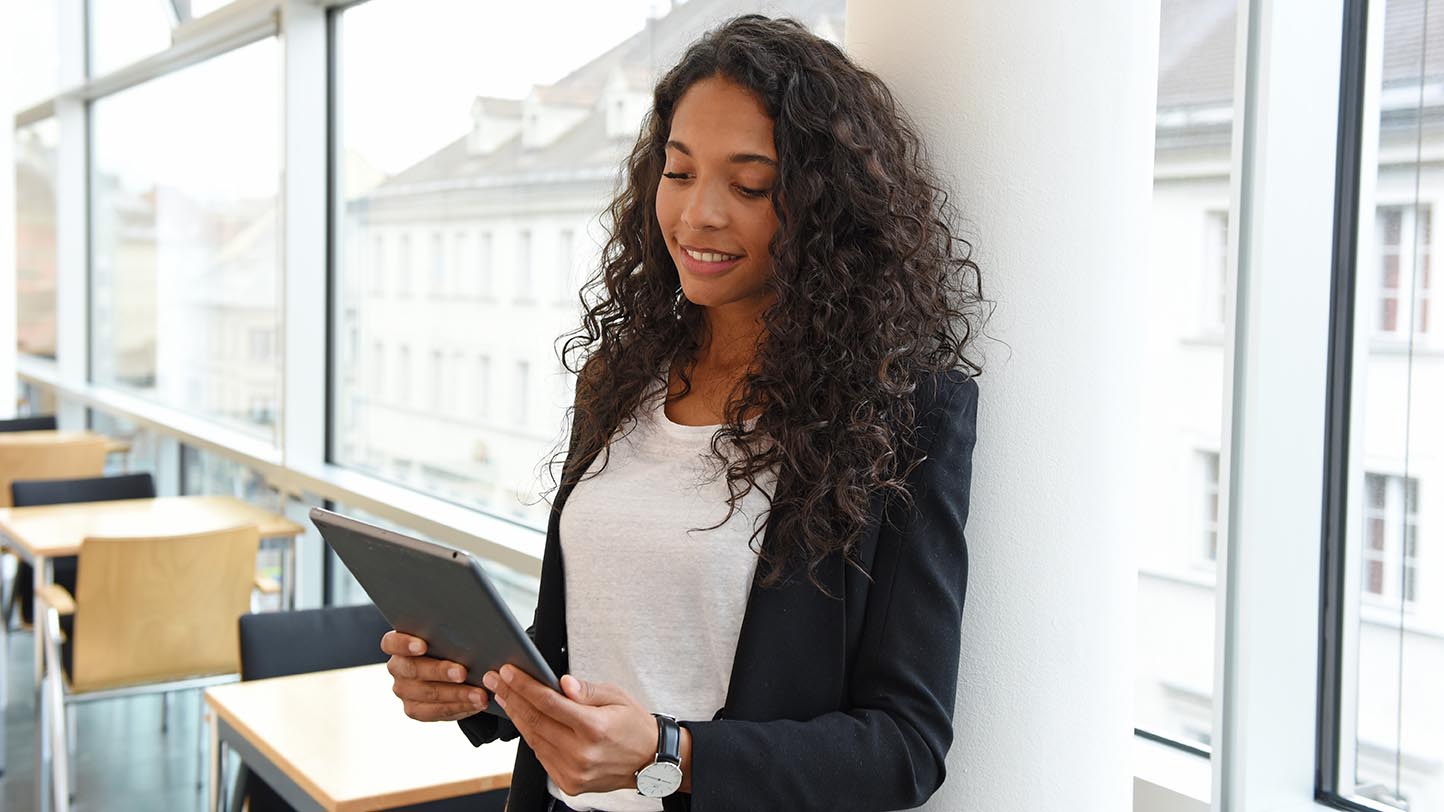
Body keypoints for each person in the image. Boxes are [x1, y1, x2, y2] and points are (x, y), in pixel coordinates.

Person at [380, 14, 983, 812]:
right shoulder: (617, 379)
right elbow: (583, 645)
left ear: (824, 207)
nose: (699, 215)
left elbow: (906, 748)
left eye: (750, 184)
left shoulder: (902, 412)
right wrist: (480, 688)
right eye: (679, 171)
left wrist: (674, 754)